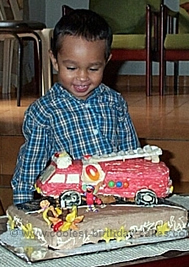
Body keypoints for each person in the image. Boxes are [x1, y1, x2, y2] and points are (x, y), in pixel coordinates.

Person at [12, 8, 140, 205]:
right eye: (71, 68)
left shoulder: (115, 102)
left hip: (115, 197)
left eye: (93, 68)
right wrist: (22, 206)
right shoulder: (44, 112)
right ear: (55, 61)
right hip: (72, 202)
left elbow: (131, 152)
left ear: (106, 62)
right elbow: (30, 167)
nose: (82, 77)